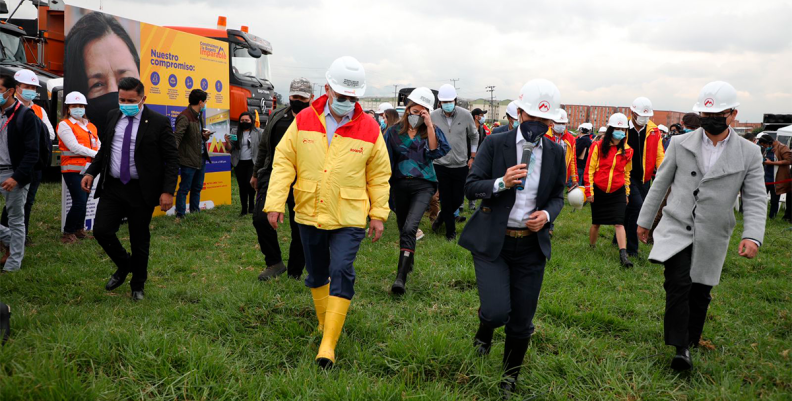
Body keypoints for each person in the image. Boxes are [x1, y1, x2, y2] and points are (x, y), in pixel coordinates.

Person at [264, 57, 390, 369]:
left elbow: (379, 175)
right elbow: (283, 162)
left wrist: (378, 213)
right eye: (342, 95)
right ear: (327, 89)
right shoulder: (305, 119)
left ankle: (328, 345)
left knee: (342, 270)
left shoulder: (370, 128)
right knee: (317, 273)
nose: (347, 102)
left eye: (353, 98)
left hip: (348, 215)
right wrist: (275, 202)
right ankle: (325, 324)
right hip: (309, 211)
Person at [637, 81, 766, 371]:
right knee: (678, 284)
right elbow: (660, 184)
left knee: (700, 291)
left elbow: (757, 198)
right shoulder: (681, 143)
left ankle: (691, 339)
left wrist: (753, 236)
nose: (711, 119)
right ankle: (680, 348)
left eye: (718, 114)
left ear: (732, 114)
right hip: (676, 225)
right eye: (706, 114)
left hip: (713, 233)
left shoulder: (749, 153)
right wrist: (644, 222)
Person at [459, 79, 566, 397]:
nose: (539, 126)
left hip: (531, 246)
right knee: (496, 312)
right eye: (533, 118)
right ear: (519, 114)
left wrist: (545, 216)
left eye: (545, 121)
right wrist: (500, 183)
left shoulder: (557, 153)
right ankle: (485, 327)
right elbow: (471, 186)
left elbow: (558, 196)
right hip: (495, 242)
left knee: (521, 320)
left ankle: (509, 379)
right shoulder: (495, 143)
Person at [82, 77, 178, 301]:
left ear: (143, 98)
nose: (126, 103)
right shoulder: (113, 116)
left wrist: (167, 191)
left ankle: (138, 285)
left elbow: (171, 159)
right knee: (101, 231)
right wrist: (90, 172)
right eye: (122, 99)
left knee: (139, 238)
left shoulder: (158, 122)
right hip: (114, 187)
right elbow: (105, 151)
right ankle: (125, 264)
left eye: (131, 100)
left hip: (141, 190)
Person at [384, 87, 450, 295]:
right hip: (400, 185)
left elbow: (436, 152)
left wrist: (429, 125)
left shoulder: (431, 130)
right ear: (408, 109)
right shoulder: (393, 132)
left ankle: (400, 278)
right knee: (403, 225)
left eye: (423, 112)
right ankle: (408, 260)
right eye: (415, 111)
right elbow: (385, 160)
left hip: (424, 184)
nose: (418, 115)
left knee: (411, 227)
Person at [252, 78, 312, 281]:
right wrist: (256, 172)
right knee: (260, 218)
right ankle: (274, 262)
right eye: (294, 97)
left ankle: (295, 271)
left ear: (310, 98)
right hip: (273, 173)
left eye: (302, 98)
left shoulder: (317, 120)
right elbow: (263, 146)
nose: (298, 100)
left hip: (303, 177)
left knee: (300, 226)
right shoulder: (278, 116)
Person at [64, 11, 141, 137]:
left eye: (125, 79)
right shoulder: (69, 130)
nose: (114, 92)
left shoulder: (153, 129)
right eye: (97, 84)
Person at [0, 70, 54, 246]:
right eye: (27, 87)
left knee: (27, 201)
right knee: (12, 205)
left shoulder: (37, 110)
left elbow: (50, 133)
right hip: (12, 164)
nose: (30, 90)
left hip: (32, 163)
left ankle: (20, 238)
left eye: (33, 87)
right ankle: (9, 238)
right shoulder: (7, 111)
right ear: (16, 88)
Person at [0, 74, 39, 272]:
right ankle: (12, 239)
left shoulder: (25, 115)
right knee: (14, 227)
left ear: (11, 91)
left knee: (16, 219)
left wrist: (16, 177)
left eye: (0, 89)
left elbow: (33, 152)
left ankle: (13, 264)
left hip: (14, 174)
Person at [584, 113, 634, 267]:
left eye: (623, 129)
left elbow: (626, 173)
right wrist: (589, 191)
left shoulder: (628, 150)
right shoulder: (597, 146)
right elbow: (589, 169)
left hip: (618, 190)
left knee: (619, 223)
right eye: (617, 128)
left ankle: (623, 255)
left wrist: (626, 192)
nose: (620, 131)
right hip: (599, 189)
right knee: (596, 223)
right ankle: (592, 246)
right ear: (611, 129)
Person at [430, 84, 478, 240]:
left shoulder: (465, 115)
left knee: (457, 199)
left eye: (450, 101)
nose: (447, 104)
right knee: (445, 197)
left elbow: (474, 136)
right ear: (440, 103)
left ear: (455, 101)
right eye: (444, 102)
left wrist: (472, 156)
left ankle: (440, 219)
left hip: (460, 164)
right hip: (440, 164)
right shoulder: (434, 116)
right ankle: (450, 232)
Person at [621, 96, 664, 257]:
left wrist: (663, 172)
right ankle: (632, 249)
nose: (643, 119)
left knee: (632, 209)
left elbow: (659, 154)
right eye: (640, 115)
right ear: (632, 112)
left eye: (647, 116)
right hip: (627, 176)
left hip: (645, 178)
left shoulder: (653, 130)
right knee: (637, 208)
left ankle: (617, 236)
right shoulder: (622, 127)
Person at [58, 91, 100, 244]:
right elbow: (74, 147)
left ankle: (79, 229)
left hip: (88, 169)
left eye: (81, 106)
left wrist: (99, 154)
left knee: (85, 200)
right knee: (80, 201)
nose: (78, 108)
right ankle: (67, 233)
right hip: (72, 169)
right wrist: (97, 154)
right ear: (68, 108)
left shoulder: (90, 126)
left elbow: (98, 143)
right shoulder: (64, 125)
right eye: (74, 106)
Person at [174, 89, 212, 218]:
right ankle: (180, 214)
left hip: (201, 157)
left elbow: (196, 136)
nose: (205, 104)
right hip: (188, 160)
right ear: (200, 102)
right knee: (184, 188)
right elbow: (177, 137)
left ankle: (195, 212)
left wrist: (204, 136)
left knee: (197, 187)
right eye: (205, 101)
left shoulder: (199, 116)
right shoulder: (184, 116)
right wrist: (173, 156)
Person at [757, 134, 792, 221]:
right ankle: (760, 215)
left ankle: (772, 217)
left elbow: (788, 161)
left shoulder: (782, 148)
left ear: (768, 142)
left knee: (774, 200)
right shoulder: (768, 149)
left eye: (764, 145)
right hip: (766, 178)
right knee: (760, 198)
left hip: (777, 179)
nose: (764, 147)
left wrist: (771, 163)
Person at [549, 109, 579, 188]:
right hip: (546, 176)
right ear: (552, 122)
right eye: (558, 123)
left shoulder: (570, 139)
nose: (561, 125)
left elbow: (572, 159)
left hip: (562, 177)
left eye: (563, 123)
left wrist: (574, 178)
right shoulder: (544, 136)